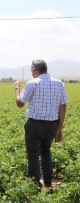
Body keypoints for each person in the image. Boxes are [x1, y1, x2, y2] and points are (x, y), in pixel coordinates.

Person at [14, 59, 68, 189]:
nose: (32, 73)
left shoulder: (33, 83)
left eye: (32, 71)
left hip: (35, 125)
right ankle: (48, 183)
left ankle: (34, 186)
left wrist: (16, 89)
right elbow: (63, 106)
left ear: (35, 70)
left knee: (33, 155)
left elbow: (20, 103)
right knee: (46, 151)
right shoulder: (59, 83)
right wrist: (59, 128)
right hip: (51, 125)